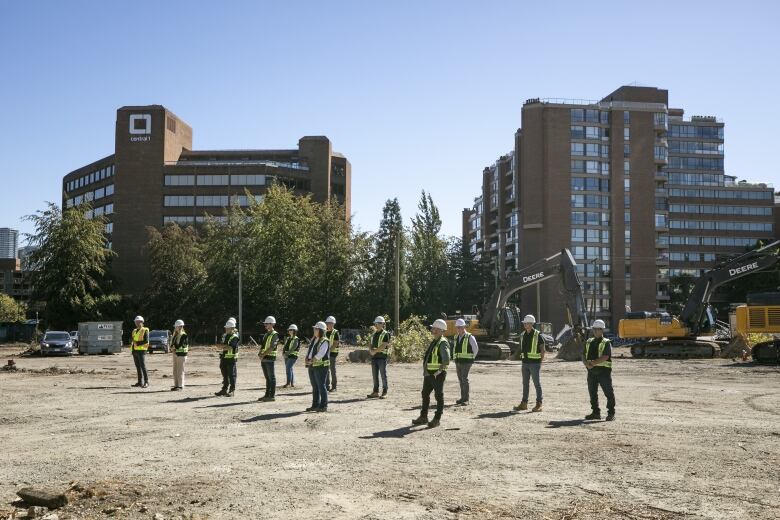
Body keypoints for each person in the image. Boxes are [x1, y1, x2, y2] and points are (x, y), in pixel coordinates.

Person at [412, 319, 450, 428]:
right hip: (429, 374)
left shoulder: (442, 342)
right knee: (425, 394)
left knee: (439, 396)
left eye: (434, 328)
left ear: (439, 330)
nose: (432, 329)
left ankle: (437, 419)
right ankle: (423, 417)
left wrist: (438, 372)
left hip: (437, 375)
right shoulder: (435, 341)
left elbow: (446, 360)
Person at [584, 319, 616, 421]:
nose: (595, 331)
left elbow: (606, 356)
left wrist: (592, 363)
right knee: (592, 393)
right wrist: (586, 364)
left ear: (602, 330)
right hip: (591, 372)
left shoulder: (606, 342)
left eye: (597, 329)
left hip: (604, 372)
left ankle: (611, 413)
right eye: (594, 329)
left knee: (608, 393)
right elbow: (582, 354)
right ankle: (595, 412)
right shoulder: (589, 341)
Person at [513, 314, 544, 412]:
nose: (525, 325)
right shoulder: (522, 335)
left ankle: (539, 404)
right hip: (525, 363)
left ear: (531, 324)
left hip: (535, 364)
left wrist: (540, 362)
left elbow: (543, 350)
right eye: (524, 323)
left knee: (536, 384)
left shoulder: (538, 335)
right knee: (525, 384)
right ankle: (524, 404)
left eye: (526, 323)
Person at [452, 318, 479, 405]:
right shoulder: (456, 337)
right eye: (457, 327)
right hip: (458, 361)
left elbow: (475, 349)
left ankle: (466, 399)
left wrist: (471, 358)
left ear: (464, 327)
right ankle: (462, 398)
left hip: (466, 362)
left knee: (464, 379)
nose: (458, 329)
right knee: (461, 380)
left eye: (460, 327)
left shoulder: (470, 337)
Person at [305, 321, 330, 412]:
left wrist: (311, 361)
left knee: (321, 385)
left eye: (316, 329)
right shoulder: (314, 339)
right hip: (312, 366)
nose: (314, 330)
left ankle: (323, 405)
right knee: (315, 386)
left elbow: (321, 354)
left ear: (321, 330)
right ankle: (315, 405)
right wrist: (306, 358)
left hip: (321, 366)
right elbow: (310, 351)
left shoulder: (324, 341)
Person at [366, 316, 391, 399]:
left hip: (382, 357)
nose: (376, 325)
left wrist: (374, 351)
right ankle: (375, 392)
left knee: (383, 375)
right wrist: (370, 350)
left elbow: (383, 346)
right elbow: (370, 344)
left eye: (378, 323)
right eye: (376, 323)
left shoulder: (386, 334)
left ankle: (385, 392)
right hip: (374, 357)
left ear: (382, 324)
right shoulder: (373, 334)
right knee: (375, 376)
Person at [258, 316, 279, 402]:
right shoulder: (266, 334)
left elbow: (272, 347)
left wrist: (263, 354)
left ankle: (271, 396)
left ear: (271, 324)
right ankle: (267, 395)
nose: (265, 325)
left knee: (271, 377)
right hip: (264, 358)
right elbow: (263, 346)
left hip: (269, 358)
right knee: (267, 378)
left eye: (266, 323)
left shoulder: (275, 334)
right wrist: (260, 353)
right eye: (265, 324)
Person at [215, 318, 239, 397]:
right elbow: (219, 345)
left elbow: (230, 347)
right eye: (226, 328)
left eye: (227, 328)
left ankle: (232, 390)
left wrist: (223, 347)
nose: (226, 329)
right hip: (224, 357)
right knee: (224, 374)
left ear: (232, 328)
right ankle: (224, 389)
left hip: (231, 358)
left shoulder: (234, 337)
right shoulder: (225, 335)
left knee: (231, 375)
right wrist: (224, 346)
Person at [130, 315, 150, 388]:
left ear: (142, 322)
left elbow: (146, 341)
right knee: (138, 367)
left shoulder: (145, 330)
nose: (137, 323)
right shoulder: (134, 331)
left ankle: (146, 382)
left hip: (142, 350)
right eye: (136, 321)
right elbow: (132, 339)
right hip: (135, 350)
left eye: (138, 321)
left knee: (143, 366)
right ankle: (140, 382)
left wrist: (137, 343)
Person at [170, 319, 188, 391]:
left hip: (181, 354)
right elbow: (172, 344)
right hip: (175, 354)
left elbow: (180, 345)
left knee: (180, 370)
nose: (176, 327)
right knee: (175, 370)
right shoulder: (175, 335)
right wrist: (172, 348)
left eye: (177, 326)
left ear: (180, 327)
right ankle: (176, 385)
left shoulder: (184, 335)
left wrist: (174, 348)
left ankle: (180, 386)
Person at [324, 316, 340, 392]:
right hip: (326, 353)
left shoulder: (335, 332)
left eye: (330, 323)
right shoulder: (325, 332)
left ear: (333, 324)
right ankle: (326, 386)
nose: (328, 324)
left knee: (332, 370)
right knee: (326, 370)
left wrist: (328, 351)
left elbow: (335, 344)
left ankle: (334, 387)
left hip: (333, 354)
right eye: (327, 323)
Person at [282, 324, 301, 388]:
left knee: (288, 368)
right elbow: (285, 346)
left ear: (294, 331)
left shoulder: (296, 339)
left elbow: (293, 347)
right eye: (289, 330)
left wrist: (286, 353)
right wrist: (283, 353)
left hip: (293, 356)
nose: (290, 331)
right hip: (287, 355)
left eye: (291, 330)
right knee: (290, 369)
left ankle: (288, 383)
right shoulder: (288, 338)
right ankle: (292, 383)